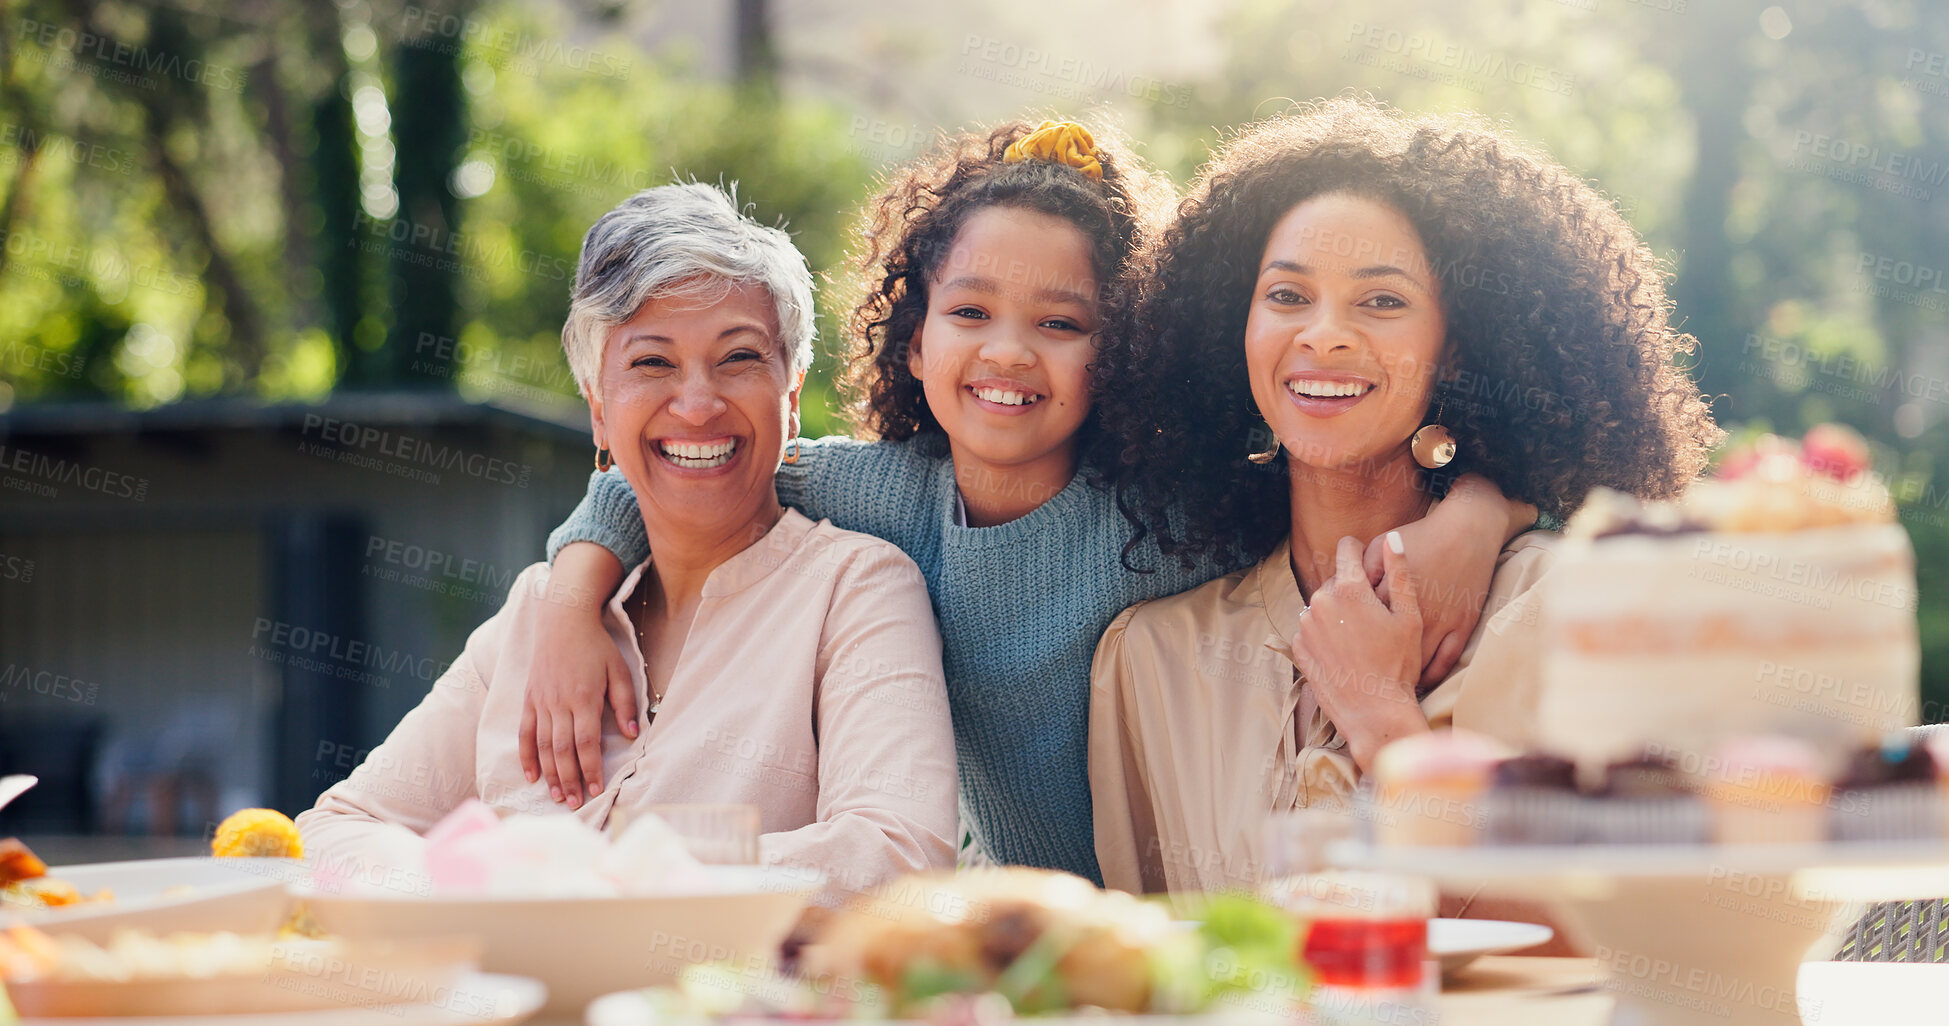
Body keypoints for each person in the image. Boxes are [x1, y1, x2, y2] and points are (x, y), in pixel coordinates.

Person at [527, 120, 1537, 884]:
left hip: (1180, 901)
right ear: (913, 339)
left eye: (1061, 322)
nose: (1007, 353)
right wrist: (574, 603)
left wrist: (1478, 510)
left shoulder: (1167, 509)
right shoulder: (873, 495)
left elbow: (1340, 471)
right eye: (969, 313)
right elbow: (678, 467)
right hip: (1009, 928)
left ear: (1121, 351)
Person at [1089, 97, 1723, 894]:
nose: (1323, 334)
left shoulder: (1580, 612)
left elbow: (1621, 933)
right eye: (1286, 296)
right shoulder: (1151, 661)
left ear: (1455, 349)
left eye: (1381, 301)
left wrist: (1380, 718)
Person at [298, 183, 958, 893]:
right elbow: (337, 831)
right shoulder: (539, 613)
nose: (698, 404)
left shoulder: (854, 591)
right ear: (599, 413)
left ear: (790, 397)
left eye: (738, 358)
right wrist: (472, 879)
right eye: (651, 363)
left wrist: (611, 864)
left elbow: (898, 854)